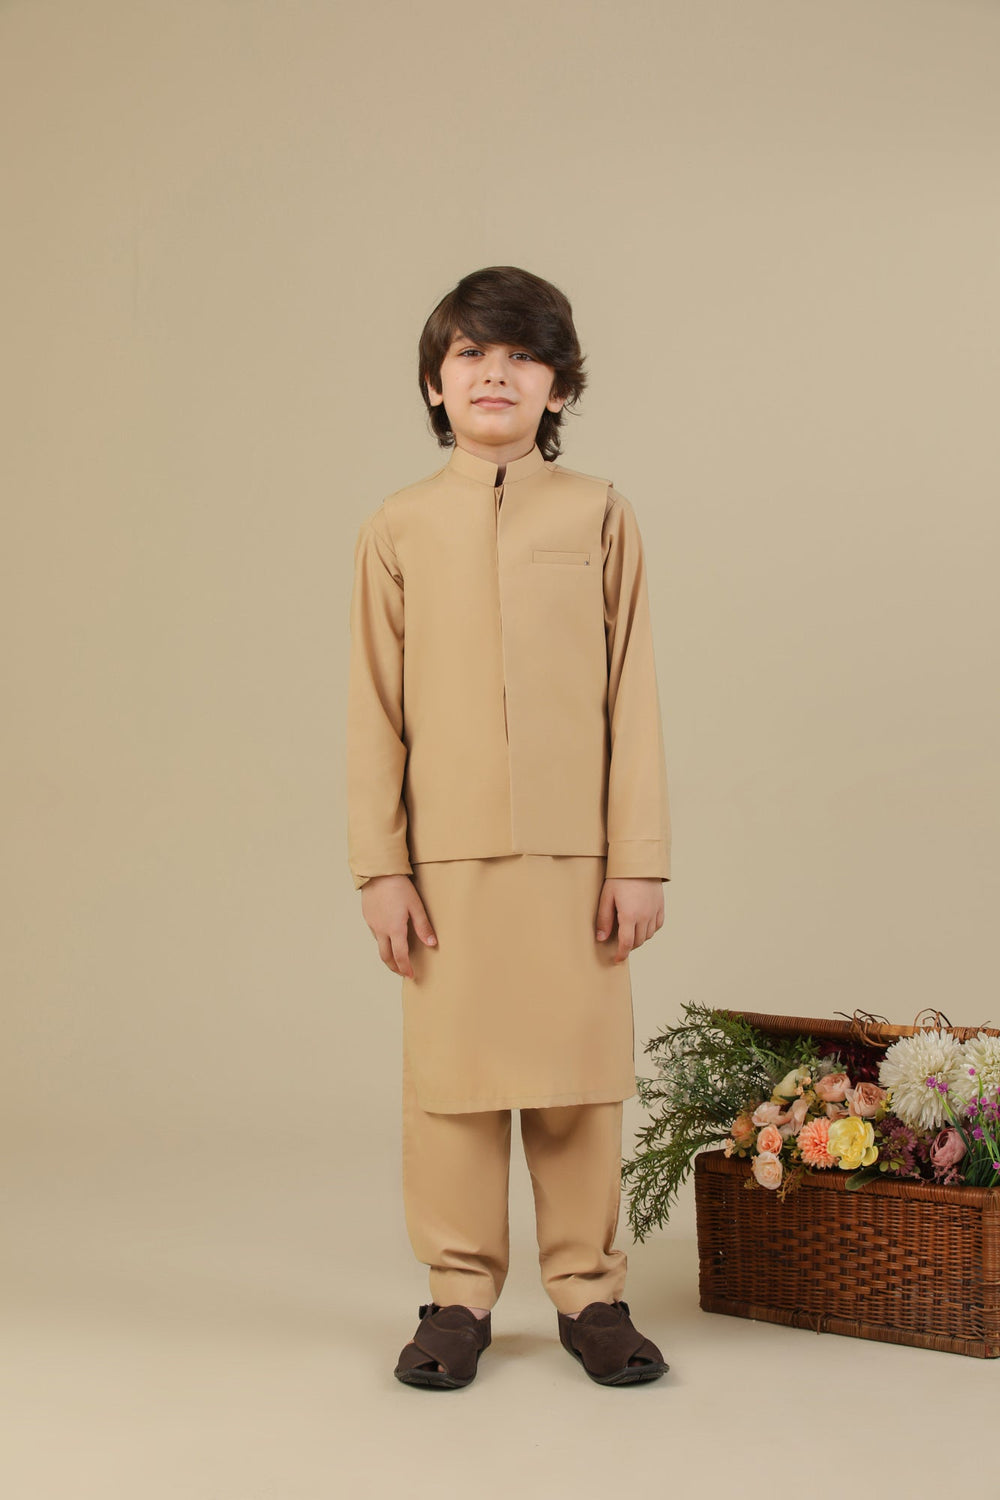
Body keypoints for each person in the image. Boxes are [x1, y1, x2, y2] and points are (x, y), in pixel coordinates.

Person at [347, 266, 672, 1389]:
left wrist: (638, 859)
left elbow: (632, 695)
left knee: (579, 1082)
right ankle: (458, 1295)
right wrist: (380, 867)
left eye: (523, 356)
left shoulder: (598, 514)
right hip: (444, 863)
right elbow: (372, 708)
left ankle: (590, 1293)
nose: (496, 374)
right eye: (471, 355)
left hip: (579, 859)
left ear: (559, 387)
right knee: (451, 1085)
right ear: (435, 385)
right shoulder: (396, 527)